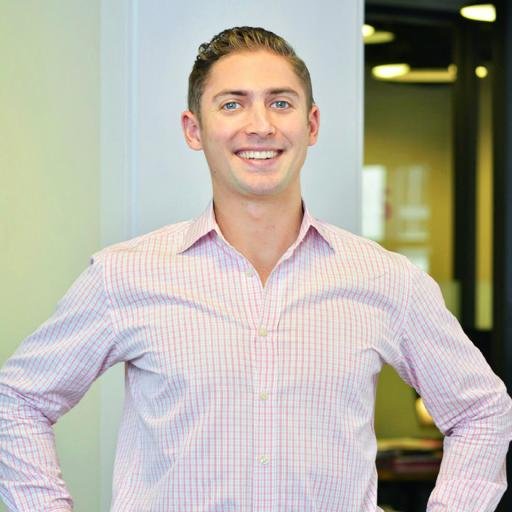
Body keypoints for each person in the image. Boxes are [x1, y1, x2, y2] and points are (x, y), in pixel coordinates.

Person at [0, 26, 511, 512]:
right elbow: (17, 401)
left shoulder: (387, 280)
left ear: (311, 125)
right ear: (194, 130)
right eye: (232, 104)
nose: (260, 125)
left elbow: (480, 411)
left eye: (280, 103)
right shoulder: (125, 276)